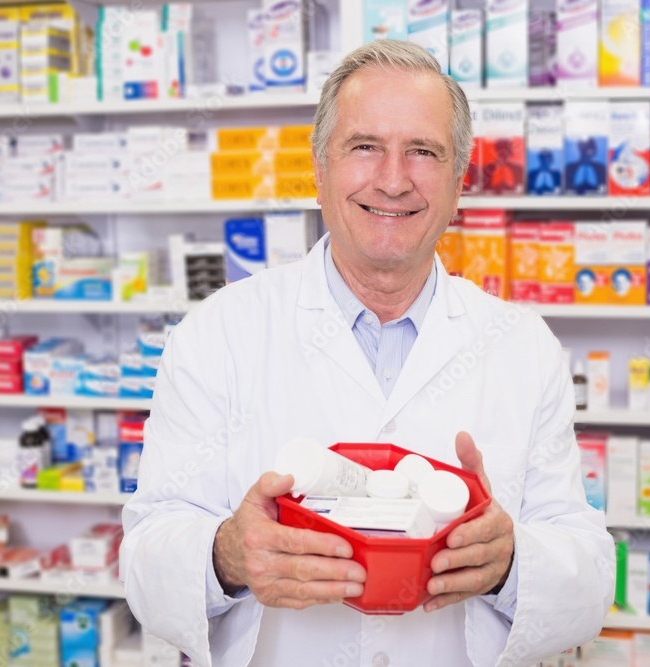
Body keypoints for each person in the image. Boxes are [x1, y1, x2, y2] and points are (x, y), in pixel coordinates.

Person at [120, 40, 615, 667]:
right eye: (364, 146)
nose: (392, 178)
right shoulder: (217, 334)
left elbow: (591, 577)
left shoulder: (523, 348)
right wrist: (226, 555)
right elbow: (143, 558)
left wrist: (511, 563)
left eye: (423, 151)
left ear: (459, 178)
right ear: (320, 166)